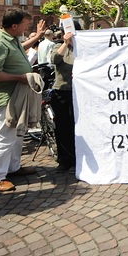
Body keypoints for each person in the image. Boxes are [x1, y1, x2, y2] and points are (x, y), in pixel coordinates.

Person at [0, 9, 43, 192]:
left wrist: (38, 36)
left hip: (17, 94)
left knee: (18, 134)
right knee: (6, 135)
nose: (28, 28)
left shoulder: (11, 39)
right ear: (15, 25)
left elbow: (22, 47)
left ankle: (13, 167)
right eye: (26, 25)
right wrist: (19, 78)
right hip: (7, 96)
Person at [51, 29, 77, 172]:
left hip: (79, 93)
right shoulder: (59, 46)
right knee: (62, 127)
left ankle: (77, 156)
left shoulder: (82, 48)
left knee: (77, 126)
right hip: (62, 91)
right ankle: (64, 159)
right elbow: (54, 59)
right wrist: (66, 43)